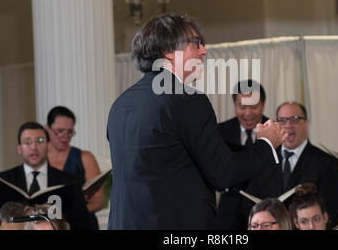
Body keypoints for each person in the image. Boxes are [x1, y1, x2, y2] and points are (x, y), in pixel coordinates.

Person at [106, 13, 286, 229]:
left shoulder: (120, 104)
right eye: (196, 43)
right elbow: (224, 174)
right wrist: (266, 143)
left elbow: (175, 157)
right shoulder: (187, 99)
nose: (204, 51)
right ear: (170, 51)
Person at [243, 101, 338, 229]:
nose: (288, 125)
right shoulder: (262, 159)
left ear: (306, 124)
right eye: (282, 120)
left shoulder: (326, 163)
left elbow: (332, 214)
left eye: (295, 119)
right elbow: (247, 206)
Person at [0, 122, 93, 230]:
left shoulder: (69, 182)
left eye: (40, 141)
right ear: (19, 148)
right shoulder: (2, 180)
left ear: (48, 145)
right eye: (27, 142)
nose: (34, 147)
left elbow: (83, 223)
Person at [216, 79, 269, 230]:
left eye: (254, 106)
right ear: (234, 105)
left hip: (265, 215)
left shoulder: (274, 130)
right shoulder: (220, 132)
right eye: (242, 106)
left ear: (263, 105)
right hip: (228, 215)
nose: (248, 113)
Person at [46, 106, 104, 229]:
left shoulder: (85, 157)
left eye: (69, 131)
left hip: (82, 224)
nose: (65, 136)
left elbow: (99, 200)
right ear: (47, 128)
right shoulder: (39, 159)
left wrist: (71, 214)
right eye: (59, 131)